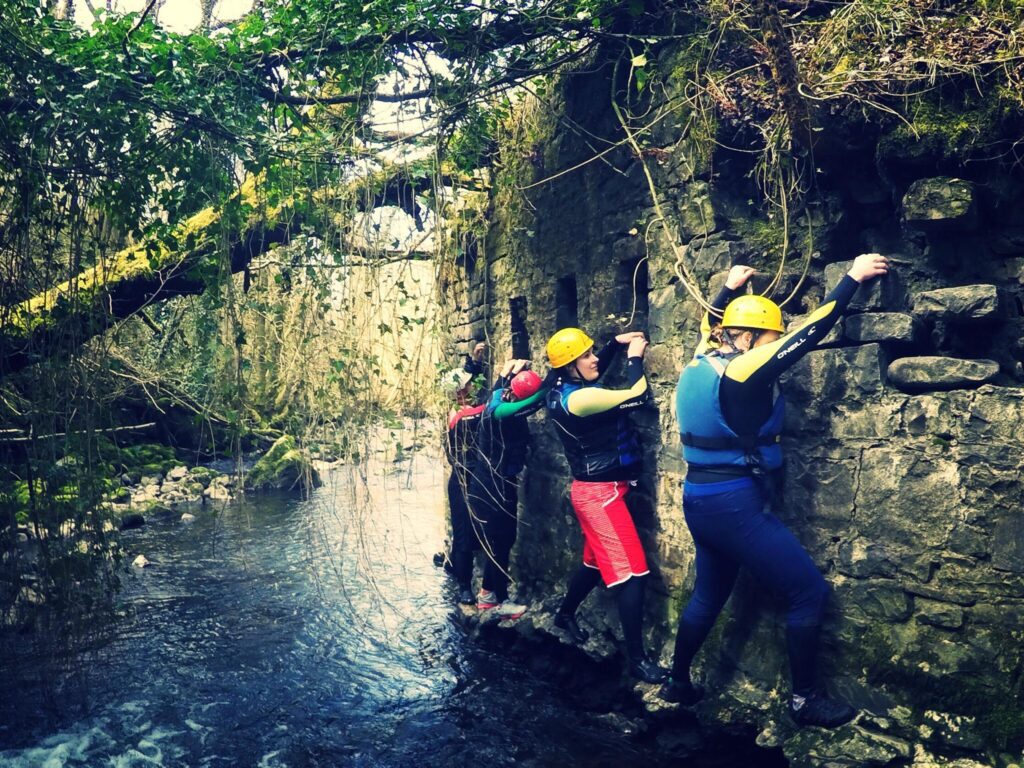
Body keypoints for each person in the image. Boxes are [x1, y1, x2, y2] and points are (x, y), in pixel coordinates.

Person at [663, 254, 890, 728]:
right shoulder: (744, 371)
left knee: (708, 596)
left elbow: (710, 325)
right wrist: (850, 279)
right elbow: (807, 336)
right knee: (808, 592)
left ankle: (677, 681)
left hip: (699, 500)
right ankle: (804, 700)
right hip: (734, 505)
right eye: (766, 338)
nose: (771, 348)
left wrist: (727, 288)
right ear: (744, 338)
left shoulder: (701, 358)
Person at [545, 328, 667, 684]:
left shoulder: (558, 389)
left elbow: (593, 373)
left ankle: (564, 614)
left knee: (595, 562)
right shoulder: (580, 400)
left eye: (592, 352)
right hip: (601, 496)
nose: (593, 357)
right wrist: (635, 357)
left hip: (595, 490)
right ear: (569, 367)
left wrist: (613, 345)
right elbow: (639, 396)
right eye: (585, 355)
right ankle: (638, 660)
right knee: (633, 574)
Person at [468, 359, 548, 619]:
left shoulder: (497, 394)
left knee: (503, 541)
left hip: (494, 483)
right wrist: (553, 381)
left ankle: (490, 594)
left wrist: (514, 368)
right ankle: (494, 599)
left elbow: (512, 393)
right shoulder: (499, 412)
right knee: (500, 542)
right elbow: (532, 403)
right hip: (492, 487)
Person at [440, 342, 488, 604]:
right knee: (463, 534)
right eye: (469, 383)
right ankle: (463, 587)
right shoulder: (461, 414)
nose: (473, 385)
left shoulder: (464, 406)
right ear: (461, 391)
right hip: (462, 481)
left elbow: (476, 393)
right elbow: (483, 408)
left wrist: (475, 363)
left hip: (476, 478)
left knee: (479, 530)